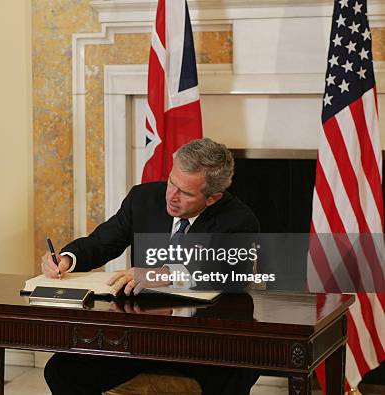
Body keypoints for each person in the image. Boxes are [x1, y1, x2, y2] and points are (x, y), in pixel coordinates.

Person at [41, 138, 260, 395]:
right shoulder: (143, 198)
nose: (172, 197)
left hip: (204, 344)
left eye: (186, 193)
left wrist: (165, 274)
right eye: (172, 183)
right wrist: (67, 259)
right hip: (143, 337)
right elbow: (101, 242)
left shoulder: (239, 220)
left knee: (233, 373)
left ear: (213, 198)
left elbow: (227, 275)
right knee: (62, 369)